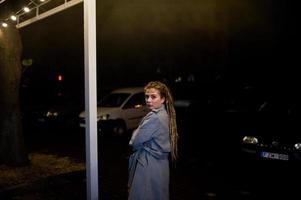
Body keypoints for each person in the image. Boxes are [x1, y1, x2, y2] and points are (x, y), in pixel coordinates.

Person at [128, 81, 178, 200]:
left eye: (153, 96)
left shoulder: (154, 117)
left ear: (163, 99)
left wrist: (136, 133)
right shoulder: (165, 114)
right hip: (160, 165)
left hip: (148, 166)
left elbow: (134, 142)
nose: (148, 100)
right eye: (147, 96)